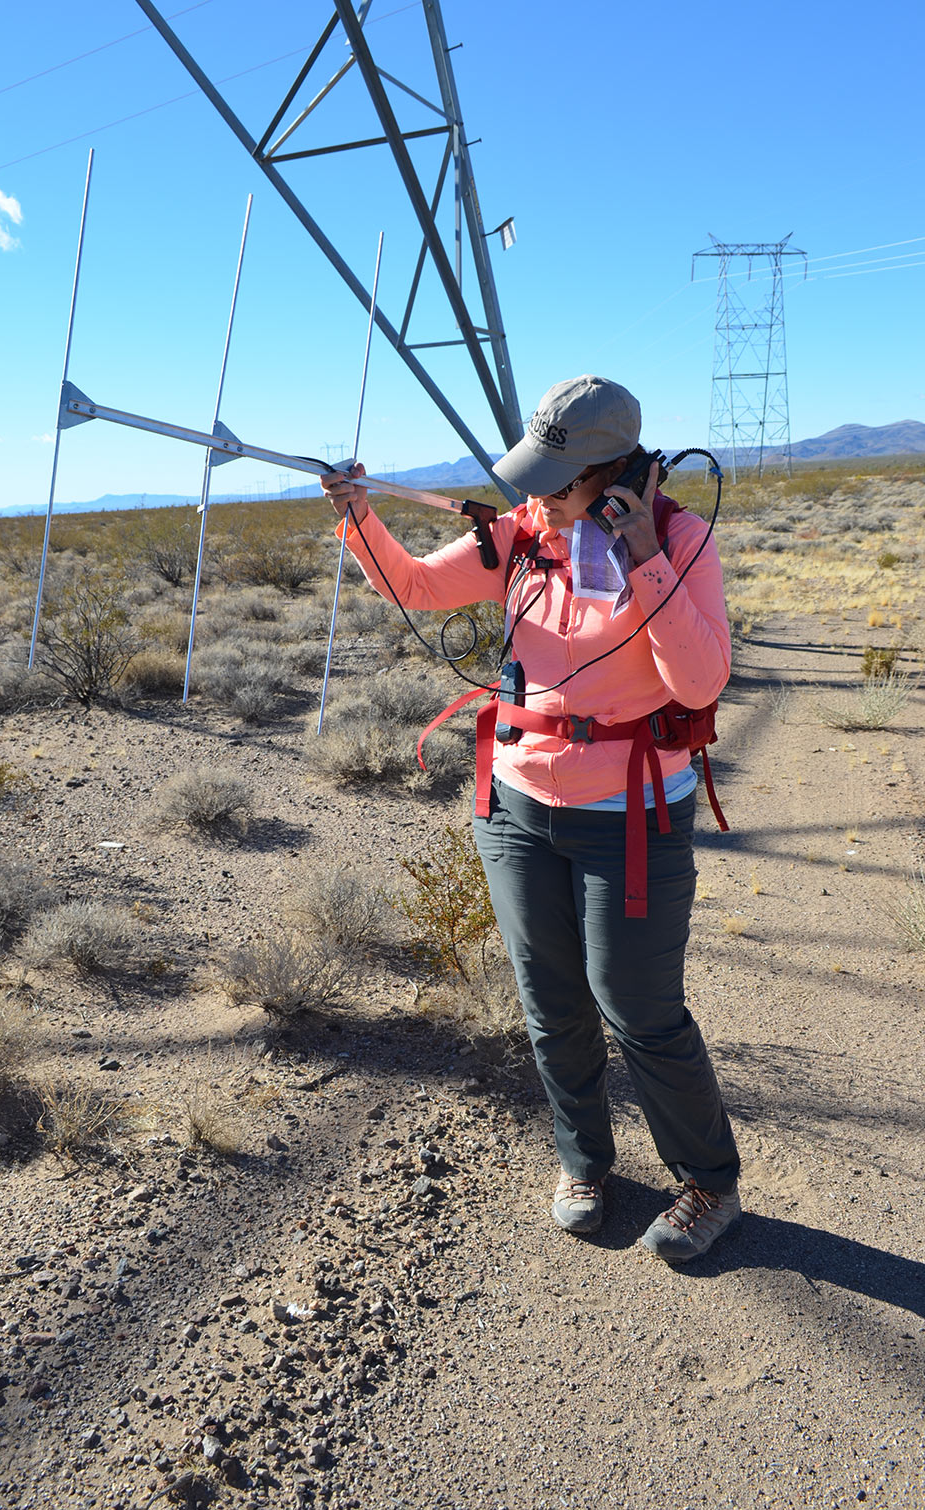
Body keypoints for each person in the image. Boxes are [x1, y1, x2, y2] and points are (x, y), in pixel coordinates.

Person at [321, 374, 740, 1264]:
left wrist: (641, 558)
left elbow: (700, 684)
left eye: (558, 479)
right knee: (551, 1003)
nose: (537, 495)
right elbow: (420, 588)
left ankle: (709, 1182)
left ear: (617, 472)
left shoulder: (680, 540)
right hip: (514, 805)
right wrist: (359, 516)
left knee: (639, 1009)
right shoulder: (522, 535)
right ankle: (583, 1161)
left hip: (630, 814)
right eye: (534, 476)